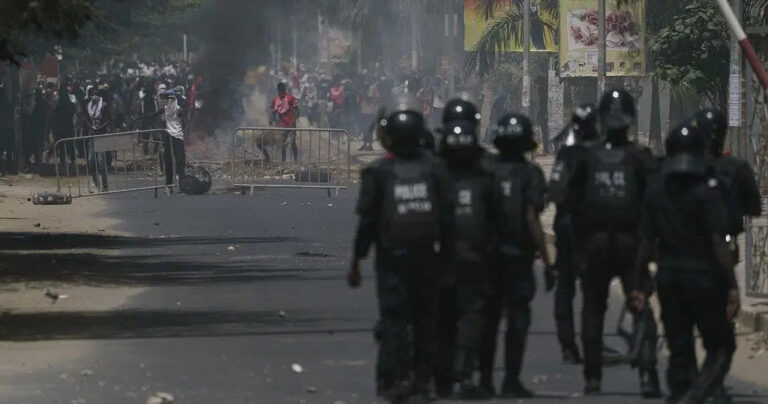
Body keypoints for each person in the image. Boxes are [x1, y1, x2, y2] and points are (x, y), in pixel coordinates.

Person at [551, 89, 661, 397]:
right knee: (640, 305)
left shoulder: (587, 156)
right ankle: (648, 376)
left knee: (593, 309)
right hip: (631, 246)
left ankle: (592, 377)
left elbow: (569, 203)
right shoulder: (640, 157)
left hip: (596, 244)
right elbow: (655, 203)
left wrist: (580, 247)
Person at [347, 95, 452, 402]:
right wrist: (447, 260)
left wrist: (356, 260)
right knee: (424, 321)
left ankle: (393, 378)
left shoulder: (378, 172)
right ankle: (422, 380)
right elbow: (447, 220)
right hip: (426, 257)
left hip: (391, 259)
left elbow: (367, 221)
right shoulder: (435, 169)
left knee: (394, 319)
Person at [633, 121, 738, 403]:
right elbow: (719, 241)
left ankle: (683, 393)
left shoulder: (656, 189)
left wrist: (638, 283)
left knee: (679, 349)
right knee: (721, 347)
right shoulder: (708, 188)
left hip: (668, 278)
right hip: (704, 278)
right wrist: (732, 287)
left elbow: (645, 241)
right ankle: (694, 396)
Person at [478, 112, 552, 398]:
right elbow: (532, 218)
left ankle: (484, 380)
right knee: (517, 322)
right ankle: (511, 380)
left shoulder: (485, 169)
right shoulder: (531, 174)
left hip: (487, 257)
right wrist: (546, 262)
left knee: (488, 320)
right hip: (518, 258)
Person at [434, 100, 499, 399]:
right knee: (471, 316)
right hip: (474, 256)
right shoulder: (486, 168)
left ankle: (443, 375)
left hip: (442, 258)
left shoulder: (432, 167)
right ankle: (464, 371)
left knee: (443, 317)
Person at [548, 104, 599, 364]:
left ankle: (568, 345)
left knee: (565, 289)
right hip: (590, 230)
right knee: (592, 291)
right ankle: (591, 345)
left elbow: (553, 192)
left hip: (566, 225)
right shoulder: (598, 154)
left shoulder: (565, 155)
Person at [86, 88, 112, 191]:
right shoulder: (88, 106)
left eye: (96, 95)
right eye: (93, 95)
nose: (94, 96)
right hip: (92, 136)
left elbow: (109, 120)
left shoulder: (104, 106)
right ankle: (96, 182)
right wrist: (90, 127)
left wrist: (100, 128)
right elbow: (87, 119)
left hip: (102, 135)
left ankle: (105, 184)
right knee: (91, 160)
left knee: (101, 161)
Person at [270, 82, 299, 162]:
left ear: (285, 89)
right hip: (282, 126)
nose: (282, 92)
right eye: (280, 90)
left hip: (292, 125)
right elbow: (273, 113)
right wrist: (270, 123)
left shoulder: (291, 98)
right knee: (283, 144)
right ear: (278, 90)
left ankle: (296, 160)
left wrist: (293, 121)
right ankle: (283, 161)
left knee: (293, 142)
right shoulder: (275, 100)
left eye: (283, 90)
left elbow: (297, 111)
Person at [52, 84, 77, 166]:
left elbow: (54, 116)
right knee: (70, 144)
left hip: (60, 127)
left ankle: (63, 161)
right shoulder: (71, 104)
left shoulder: (57, 104)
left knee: (62, 146)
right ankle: (72, 160)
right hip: (69, 126)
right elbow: (75, 112)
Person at [0, 68, 15, 175]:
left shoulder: (5, 89)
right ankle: (5, 168)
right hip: (5, 124)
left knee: (6, 147)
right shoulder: (2, 89)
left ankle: (6, 167)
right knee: (6, 147)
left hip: (6, 124)